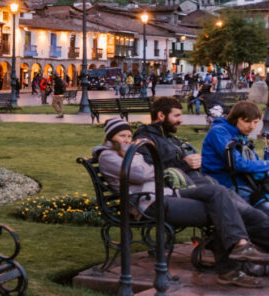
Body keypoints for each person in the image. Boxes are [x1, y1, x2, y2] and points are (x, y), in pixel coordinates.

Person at [97, 117, 269, 287]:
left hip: (167, 193)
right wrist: (152, 166)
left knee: (220, 193)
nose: (127, 140)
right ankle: (231, 267)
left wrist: (152, 167)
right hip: (148, 203)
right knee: (221, 209)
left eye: (129, 136)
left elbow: (151, 170)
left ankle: (241, 247)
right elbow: (140, 174)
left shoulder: (130, 154)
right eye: (122, 136)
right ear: (110, 138)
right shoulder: (108, 156)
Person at [202, 100, 269, 207]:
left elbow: (252, 160)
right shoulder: (219, 132)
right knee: (263, 208)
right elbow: (239, 164)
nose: (252, 126)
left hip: (241, 179)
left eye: (255, 122)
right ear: (235, 119)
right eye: (247, 121)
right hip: (224, 182)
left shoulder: (240, 133)